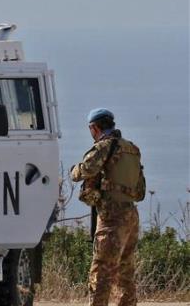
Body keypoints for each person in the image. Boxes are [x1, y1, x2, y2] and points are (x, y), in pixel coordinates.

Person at [70, 108, 145, 306]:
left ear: (94, 128)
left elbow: (85, 170)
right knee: (125, 272)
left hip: (111, 217)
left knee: (101, 273)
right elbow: (140, 192)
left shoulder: (104, 147)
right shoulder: (132, 149)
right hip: (131, 215)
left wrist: (73, 171)